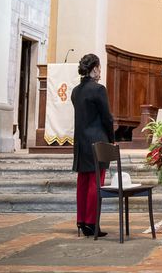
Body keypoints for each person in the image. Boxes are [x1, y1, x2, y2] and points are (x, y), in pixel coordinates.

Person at [72, 53, 115, 237]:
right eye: (99, 68)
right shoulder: (98, 89)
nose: (100, 72)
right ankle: (91, 223)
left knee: (82, 182)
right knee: (95, 183)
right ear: (95, 68)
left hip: (81, 142)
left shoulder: (75, 91)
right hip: (97, 141)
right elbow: (106, 117)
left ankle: (81, 220)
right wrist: (112, 138)